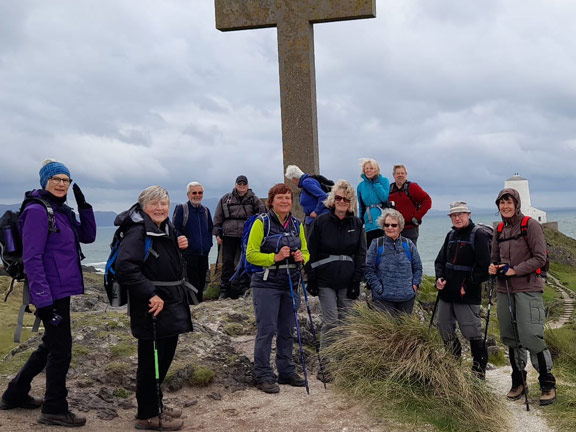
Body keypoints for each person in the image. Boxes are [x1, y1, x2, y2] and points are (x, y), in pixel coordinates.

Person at [0, 159, 96, 427]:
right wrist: (42, 300)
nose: (61, 183)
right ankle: (54, 408)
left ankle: (14, 394)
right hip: (49, 292)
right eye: (56, 179)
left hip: (60, 290)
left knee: (50, 344)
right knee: (61, 349)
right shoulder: (38, 211)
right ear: (45, 181)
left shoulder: (60, 211)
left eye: (66, 180)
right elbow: (32, 258)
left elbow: (87, 236)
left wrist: (84, 206)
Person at [115, 186, 193, 430]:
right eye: (154, 204)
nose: (159, 208)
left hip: (170, 301)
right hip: (152, 306)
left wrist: (181, 243)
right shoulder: (138, 232)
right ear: (143, 206)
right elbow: (126, 268)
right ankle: (147, 415)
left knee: (164, 357)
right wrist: (151, 294)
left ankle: (155, 404)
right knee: (152, 362)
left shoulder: (164, 227)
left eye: (163, 203)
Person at [488, 188, 556, 406]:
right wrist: (493, 268)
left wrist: (514, 270)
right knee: (511, 337)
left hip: (527, 288)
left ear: (516, 204)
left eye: (509, 203)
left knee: (531, 336)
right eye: (502, 203)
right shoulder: (498, 228)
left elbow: (540, 258)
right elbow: (495, 257)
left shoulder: (530, 225)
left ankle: (547, 384)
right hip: (504, 289)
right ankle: (519, 382)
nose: (505, 207)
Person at [245, 183, 310, 394]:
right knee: (267, 329)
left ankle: (286, 371)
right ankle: (263, 375)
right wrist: (275, 257)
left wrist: (302, 258)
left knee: (287, 329)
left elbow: (306, 252)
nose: (284, 202)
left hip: (291, 283)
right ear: (271, 201)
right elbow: (251, 254)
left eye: (288, 198)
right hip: (266, 284)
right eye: (280, 198)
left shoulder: (297, 224)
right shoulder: (261, 223)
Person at [306, 180, 366, 382]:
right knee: (331, 322)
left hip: (347, 280)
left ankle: (346, 365)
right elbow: (310, 250)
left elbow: (360, 254)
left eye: (346, 199)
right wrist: (311, 279)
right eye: (338, 197)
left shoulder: (357, 224)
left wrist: (356, 282)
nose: (342, 201)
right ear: (333, 199)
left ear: (351, 202)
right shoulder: (321, 221)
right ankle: (326, 367)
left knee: (347, 323)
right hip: (325, 280)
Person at [434, 201, 491, 379]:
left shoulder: (479, 235)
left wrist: (467, 284)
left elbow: (485, 268)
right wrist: (439, 278)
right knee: (444, 328)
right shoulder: (450, 235)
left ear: (469, 214)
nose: (457, 218)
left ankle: (478, 373)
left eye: (460, 214)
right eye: (453, 215)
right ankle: (453, 367)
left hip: (467, 295)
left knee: (472, 333)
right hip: (446, 293)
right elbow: (440, 261)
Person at [212, 175, 266, 299]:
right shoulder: (226, 199)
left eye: (244, 184)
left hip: (246, 235)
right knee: (227, 262)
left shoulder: (254, 199)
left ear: (247, 186)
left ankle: (244, 287)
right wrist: (217, 233)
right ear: (236, 185)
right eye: (239, 184)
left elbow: (263, 214)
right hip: (229, 235)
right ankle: (225, 289)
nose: (242, 187)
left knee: (247, 261)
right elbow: (218, 216)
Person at [365, 209, 422, 315]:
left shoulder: (408, 244)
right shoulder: (376, 244)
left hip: (407, 298)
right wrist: (378, 288)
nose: (390, 228)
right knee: (385, 331)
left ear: (400, 227)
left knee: (404, 330)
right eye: (386, 225)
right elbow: (369, 269)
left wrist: (415, 284)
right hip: (383, 299)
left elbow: (417, 266)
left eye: (394, 225)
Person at [173, 182, 213, 303]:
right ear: (188, 194)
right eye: (194, 193)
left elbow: (210, 229)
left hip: (203, 254)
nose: (197, 195)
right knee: (191, 284)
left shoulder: (205, 211)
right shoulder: (182, 209)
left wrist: (208, 244)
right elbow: (175, 229)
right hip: (188, 255)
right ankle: (191, 308)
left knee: (201, 283)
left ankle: (199, 306)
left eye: (200, 193)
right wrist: (185, 243)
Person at [388, 164, 432, 245]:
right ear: (393, 175)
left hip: (410, 229)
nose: (400, 175)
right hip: (393, 230)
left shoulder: (412, 187)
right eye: (398, 173)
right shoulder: (389, 189)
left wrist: (417, 217)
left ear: (406, 175)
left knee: (410, 255)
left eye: (402, 173)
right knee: (394, 255)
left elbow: (427, 200)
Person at [357, 158, 390, 247]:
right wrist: (361, 220)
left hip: (382, 218)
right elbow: (361, 206)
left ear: (376, 169)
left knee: (383, 248)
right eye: (366, 168)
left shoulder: (384, 181)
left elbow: (384, 197)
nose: (368, 170)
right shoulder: (361, 186)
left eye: (371, 168)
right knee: (371, 248)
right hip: (369, 221)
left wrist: (376, 183)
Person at [284, 164, 329, 230]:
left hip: (318, 220)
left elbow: (323, 196)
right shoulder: (307, 182)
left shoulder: (306, 183)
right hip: (315, 220)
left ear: (295, 178)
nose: (292, 182)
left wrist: (316, 211)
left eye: (292, 180)